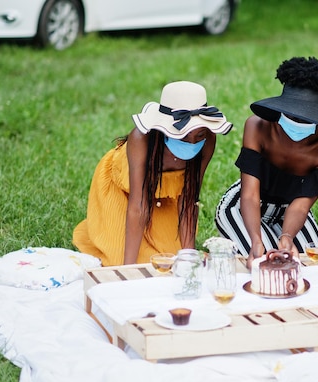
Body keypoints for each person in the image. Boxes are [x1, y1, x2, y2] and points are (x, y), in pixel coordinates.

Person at [73, 81, 232, 266]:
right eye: (183, 136)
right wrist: (128, 270)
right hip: (125, 192)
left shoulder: (209, 139)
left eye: (199, 135)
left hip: (165, 196)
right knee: (120, 258)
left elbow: (189, 199)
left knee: (170, 259)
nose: (191, 143)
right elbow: (138, 207)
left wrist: (188, 257)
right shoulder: (142, 139)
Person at [215, 56, 318, 267]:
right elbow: (250, 194)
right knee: (267, 261)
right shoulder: (257, 127)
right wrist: (256, 240)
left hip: (291, 210)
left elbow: (301, 204)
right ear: (282, 108)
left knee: (313, 263)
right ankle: (240, 240)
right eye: (293, 116)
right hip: (244, 206)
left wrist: (287, 236)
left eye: (306, 119)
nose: (298, 122)